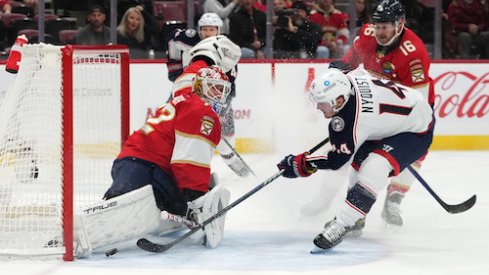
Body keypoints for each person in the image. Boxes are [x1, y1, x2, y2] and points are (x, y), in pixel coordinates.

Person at [72, 36, 242, 257]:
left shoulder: (182, 100)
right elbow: (189, 162)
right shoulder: (201, 111)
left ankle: (92, 229)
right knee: (125, 206)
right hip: (149, 166)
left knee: (122, 203)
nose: (219, 95)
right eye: (215, 89)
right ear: (201, 87)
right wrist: (195, 200)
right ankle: (80, 231)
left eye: (222, 90)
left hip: (132, 159)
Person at [301, 0, 434, 232]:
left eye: (385, 27)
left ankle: (394, 201)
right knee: (346, 150)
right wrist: (339, 69)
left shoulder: (413, 54)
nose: (379, 32)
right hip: (368, 105)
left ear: (400, 24)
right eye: (377, 25)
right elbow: (350, 61)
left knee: (414, 154)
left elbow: (420, 103)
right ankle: (325, 200)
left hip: (404, 109)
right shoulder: (368, 34)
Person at [277, 68, 435, 251]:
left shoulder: (354, 119)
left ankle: (344, 223)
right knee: (358, 165)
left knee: (374, 167)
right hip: (392, 120)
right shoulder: (349, 79)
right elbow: (347, 69)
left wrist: (302, 164)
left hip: (415, 129)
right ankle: (357, 219)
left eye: (322, 103)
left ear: (339, 101)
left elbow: (336, 160)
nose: (318, 107)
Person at [167, 13, 251, 178]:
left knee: (219, 126)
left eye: (211, 29)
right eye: (204, 29)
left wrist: (218, 93)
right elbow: (173, 40)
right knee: (170, 117)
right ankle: (172, 156)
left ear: (218, 30)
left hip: (215, 91)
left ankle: (231, 158)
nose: (207, 33)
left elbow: (231, 75)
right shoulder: (189, 39)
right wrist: (174, 69)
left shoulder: (224, 46)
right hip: (188, 86)